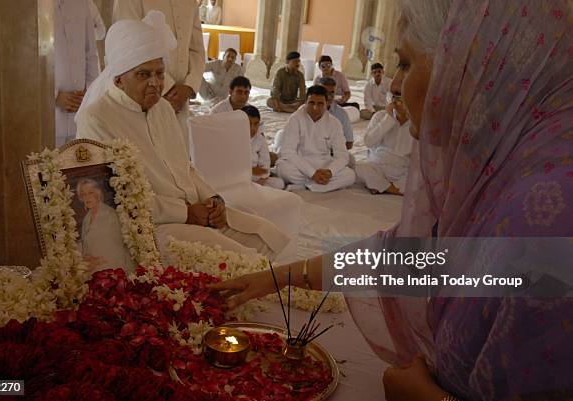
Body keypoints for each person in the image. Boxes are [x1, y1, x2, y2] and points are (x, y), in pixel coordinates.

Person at [210, 0, 573, 400]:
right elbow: (416, 260)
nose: (396, 86)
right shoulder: (506, 172)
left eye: (405, 63)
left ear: (466, 71)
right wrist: (273, 279)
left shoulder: (545, 216)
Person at [76, 11, 290, 260]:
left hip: (194, 212)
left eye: (159, 73)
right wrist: (185, 213)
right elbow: (112, 196)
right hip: (150, 228)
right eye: (143, 74)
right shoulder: (97, 118)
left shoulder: (163, 109)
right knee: (243, 260)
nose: (156, 83)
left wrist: (213, 198)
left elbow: (184, 167)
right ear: (119, 80)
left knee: (266, 235)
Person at [113, 0, 205, 152]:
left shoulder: (190, 2)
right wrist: (166, 87)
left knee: (178, 157)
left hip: (181, 101)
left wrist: (189, 87)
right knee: (144, 158)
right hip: (144, 97)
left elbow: (197, 50)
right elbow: (128, 46)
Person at [275, 85, 356, 192]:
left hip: (324, 165)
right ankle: (320, 185)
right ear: (305, 102)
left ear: (327, 104)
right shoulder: (295, 119)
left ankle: (306, 186)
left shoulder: (334, 123)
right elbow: (288, 152)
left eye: (320, 104)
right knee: (282, 168)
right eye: (311, 103)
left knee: (350, 175)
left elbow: (342, 155)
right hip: (300, 163)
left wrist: (330, 171)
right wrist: (312, 173)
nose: (315, 108)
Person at [354, 83, 413, 195]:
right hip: (378, 166)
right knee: (359, 167)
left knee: (421, 176)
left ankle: (379, 186)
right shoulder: (380, 116)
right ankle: (393, 189)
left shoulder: (416, 123)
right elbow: (369, 142)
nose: (400, 104)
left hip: (402, 169)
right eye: (397, 99)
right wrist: (388, 118)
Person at [54, 0, 99, 146]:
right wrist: (53, 96)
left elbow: (90, 53)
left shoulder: (81, 4)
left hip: (79, 113)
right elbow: (26, 63)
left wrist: (90, 94)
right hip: (49, 117)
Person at [76, 178, 134, 273]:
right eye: (83, 194)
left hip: (115, 268)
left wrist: (98, 261)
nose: (87, 197)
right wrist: (87, 258)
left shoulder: (110, 214)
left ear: (98, 194)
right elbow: (86, 247)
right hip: (95, 268)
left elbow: (118, 250)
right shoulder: (86, 219)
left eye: (90, 193)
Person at [241, 105, 285, 190]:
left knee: (280, 183)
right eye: (249, 124)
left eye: (256, 124)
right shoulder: (233, 137)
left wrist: (260, 182)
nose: (252, 128)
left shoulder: (260, 139)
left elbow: (265, 165)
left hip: (255, 178)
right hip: (238, 178)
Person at [318, 76, 354, 150]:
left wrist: (331, 151)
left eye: (332, 92)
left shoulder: (341, 114)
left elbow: (349, 143)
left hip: (333, 153)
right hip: (310, 153)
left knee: (351, 160)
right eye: (325, 93)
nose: (329, 96)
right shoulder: (307, 111)